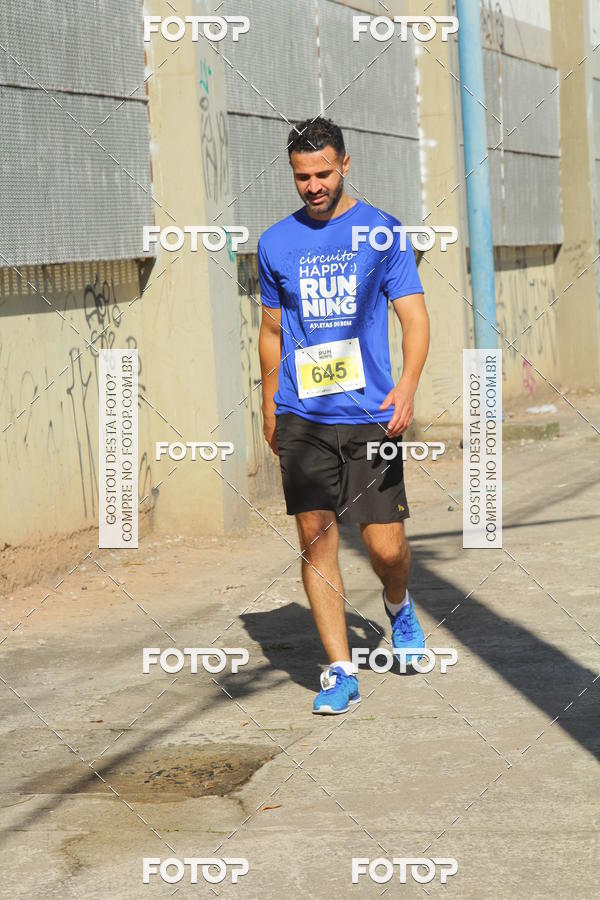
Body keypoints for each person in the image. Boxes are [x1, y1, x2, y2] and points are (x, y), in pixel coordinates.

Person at [257, 117, 430, 714]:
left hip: (370, 415)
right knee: (314, 536)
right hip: (303, 413)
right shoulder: (276, 242)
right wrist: (268, 402)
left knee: (384, 548)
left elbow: (414, 318)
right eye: (302, 176)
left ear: (345, 165)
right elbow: (272, 331)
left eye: (323, 173)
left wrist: (406, 386)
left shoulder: (381, 233)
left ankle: (398, 605)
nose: (313, 185)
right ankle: (340, 669)